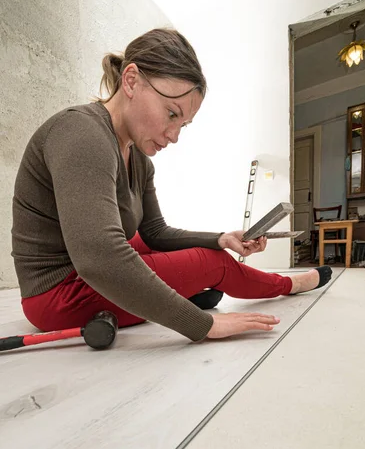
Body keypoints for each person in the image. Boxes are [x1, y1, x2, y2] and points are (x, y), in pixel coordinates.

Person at [11, 28, 332, 343]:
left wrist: (220, 238)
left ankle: (190, 288)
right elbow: (100, 259)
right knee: (212, 263)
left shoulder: (138, 160)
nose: (174, 135)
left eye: (184, 124)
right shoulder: (81, 132)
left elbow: (156, 233)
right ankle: (286, 285)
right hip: (59, 293)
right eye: (170, 113)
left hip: (87, 272)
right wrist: (201, 324)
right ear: (131, 80)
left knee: (164, 243)